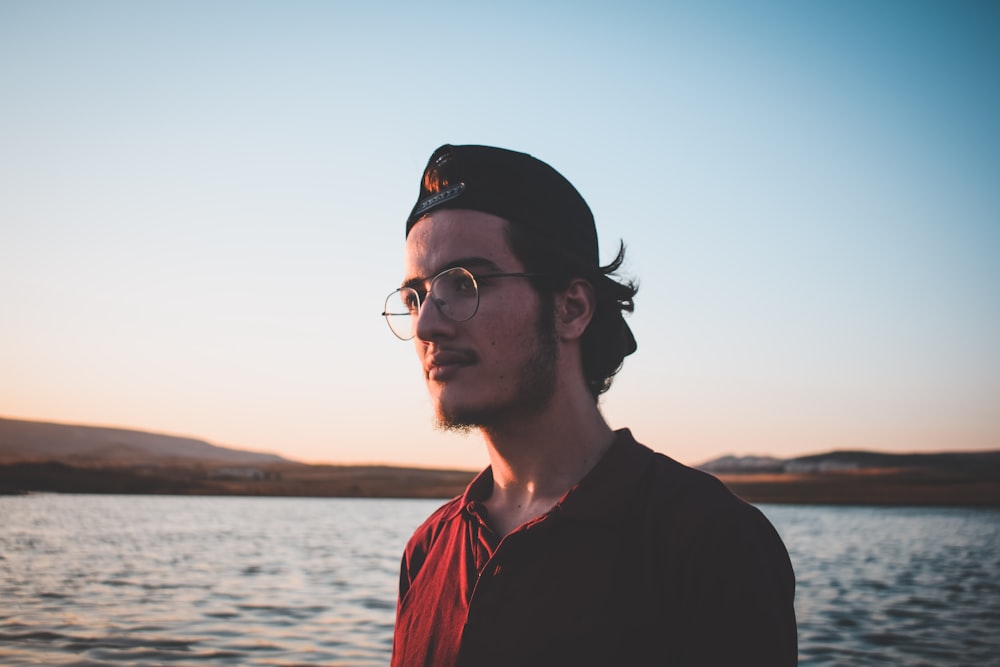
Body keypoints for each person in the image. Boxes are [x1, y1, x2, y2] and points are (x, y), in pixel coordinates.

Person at [383, 144, 797, 666]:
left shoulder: (709, 542)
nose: (426, 325)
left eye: (463, 284)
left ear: (572, 308)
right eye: (414, 297)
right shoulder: (428, 550)